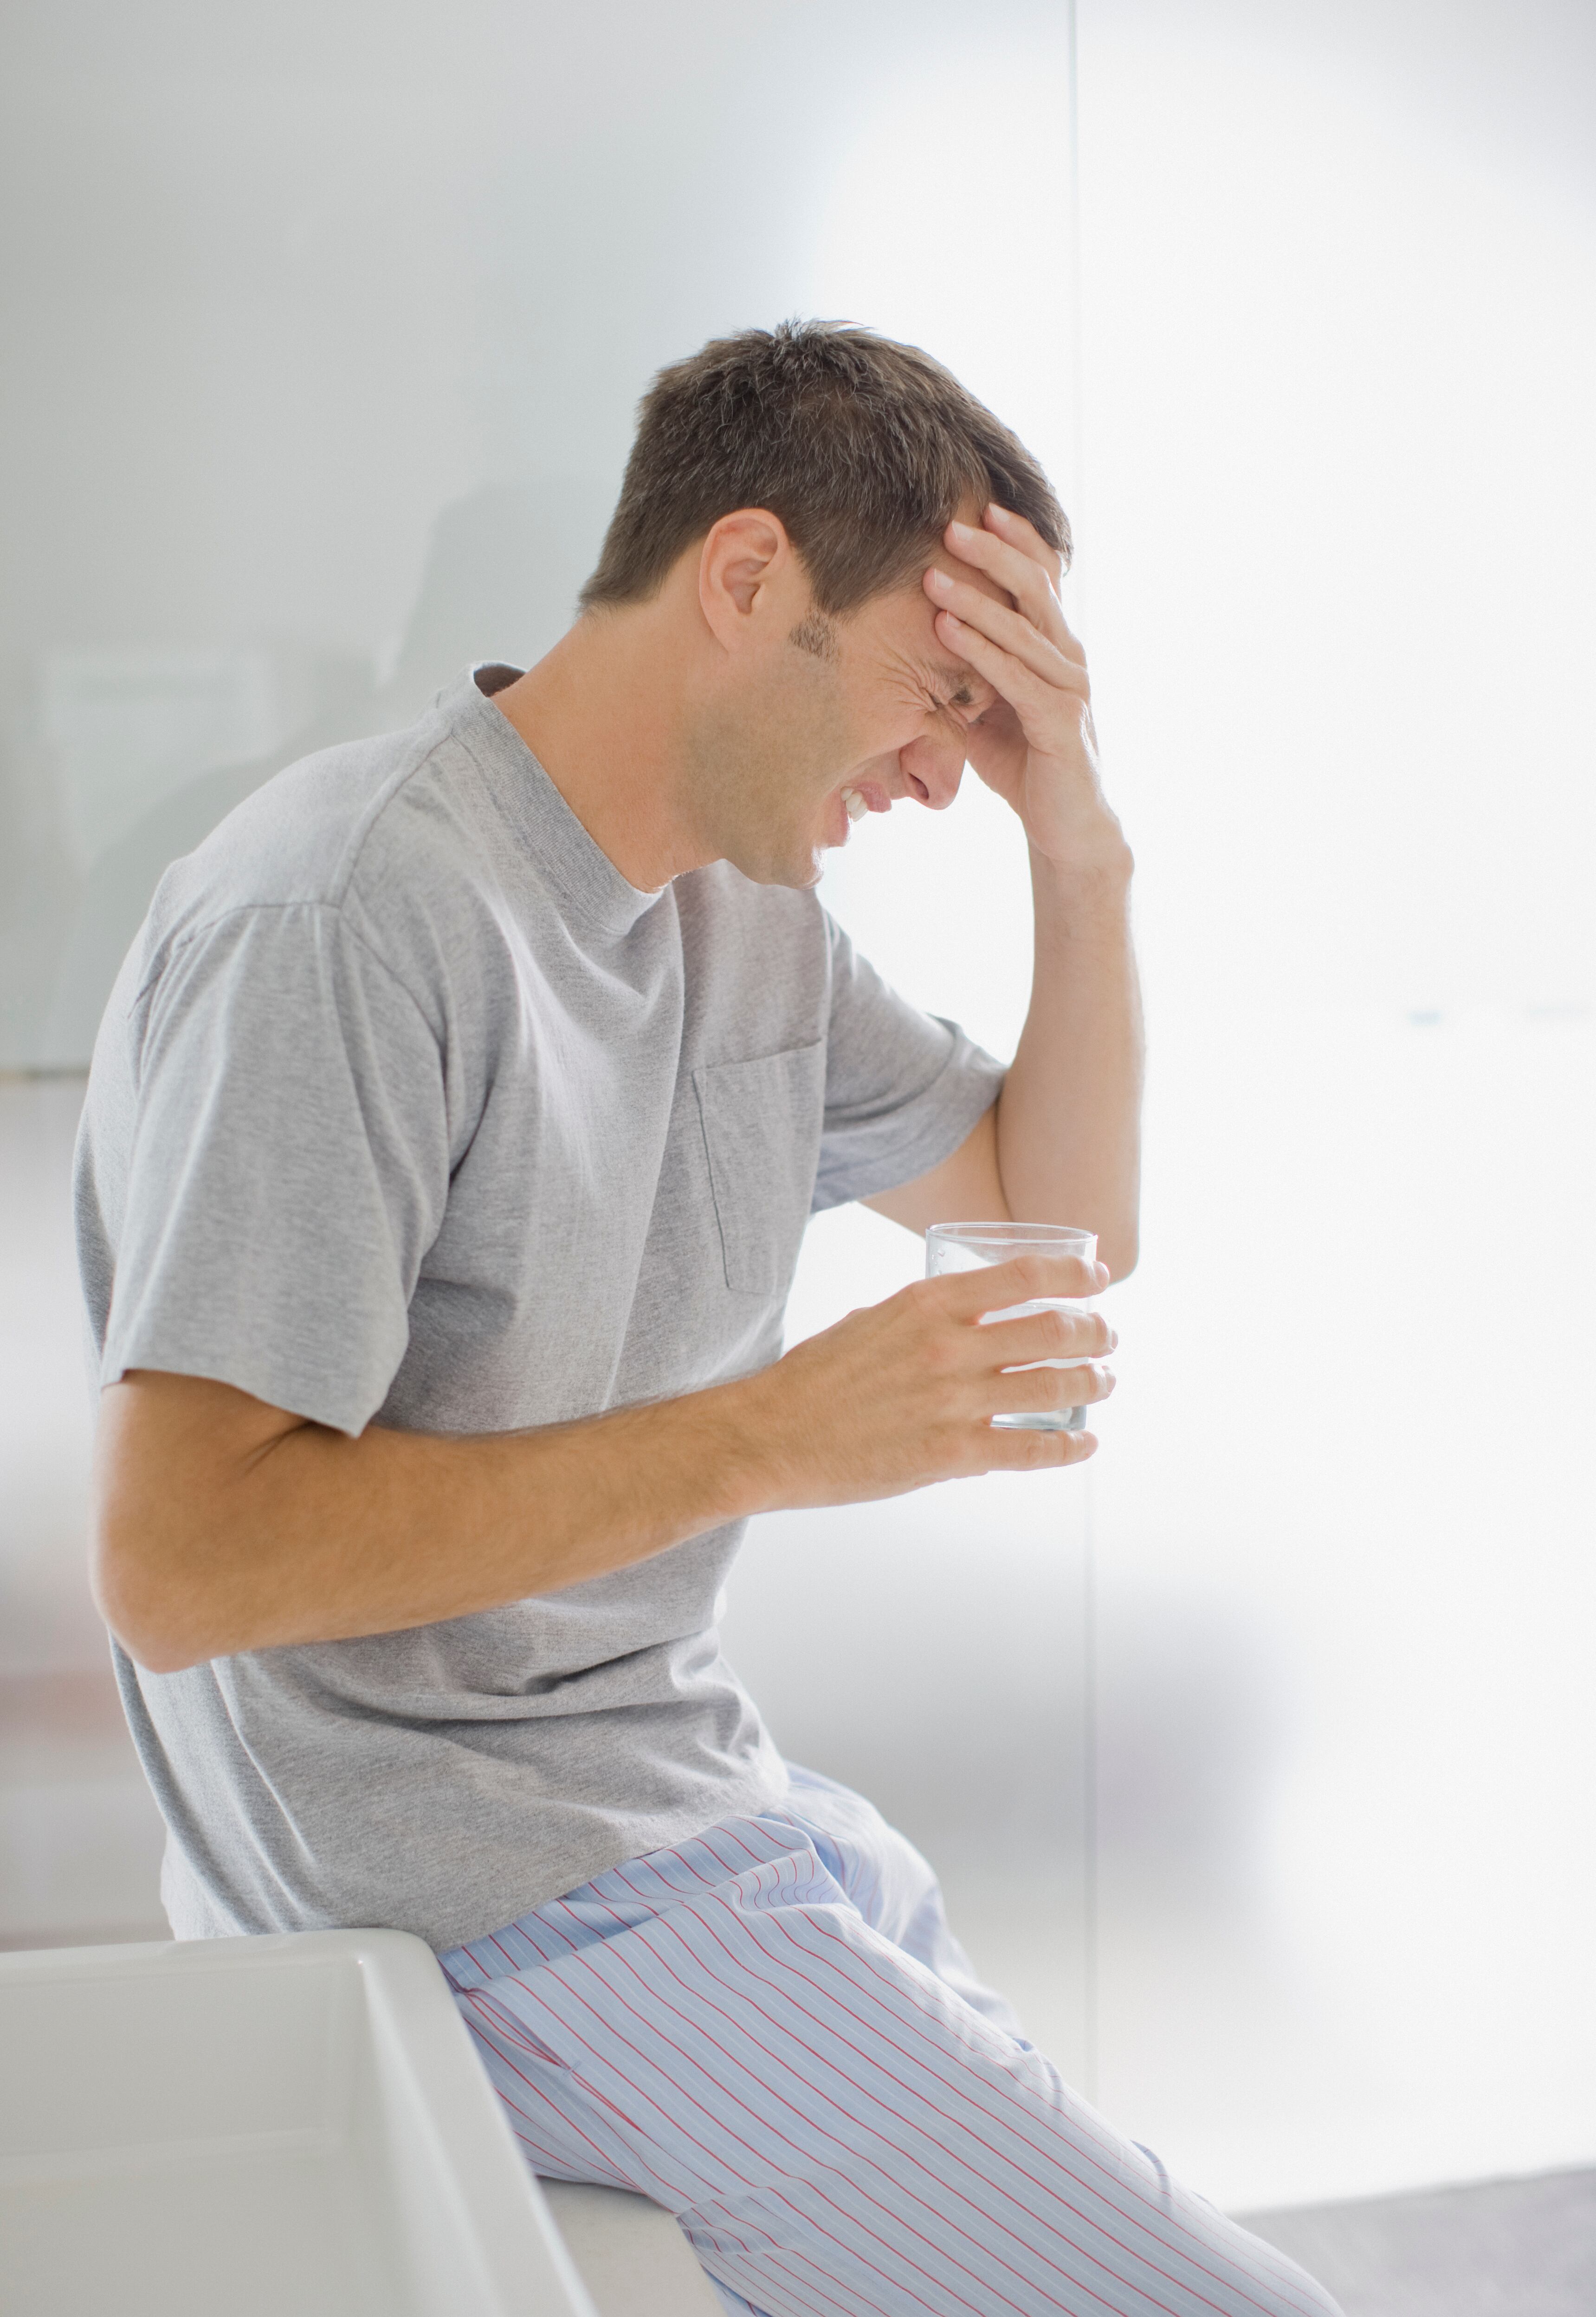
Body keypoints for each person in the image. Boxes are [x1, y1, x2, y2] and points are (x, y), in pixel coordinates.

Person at [76, 323, 1338, 2317]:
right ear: (744, 580)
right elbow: (179, 1562)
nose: (945, 768)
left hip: (701, 1822)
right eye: (942, 694)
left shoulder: (736, 919)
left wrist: (1074, 838)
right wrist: (770, 1434)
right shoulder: (346, 916)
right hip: (488, 1907)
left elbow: (1056, 1227)